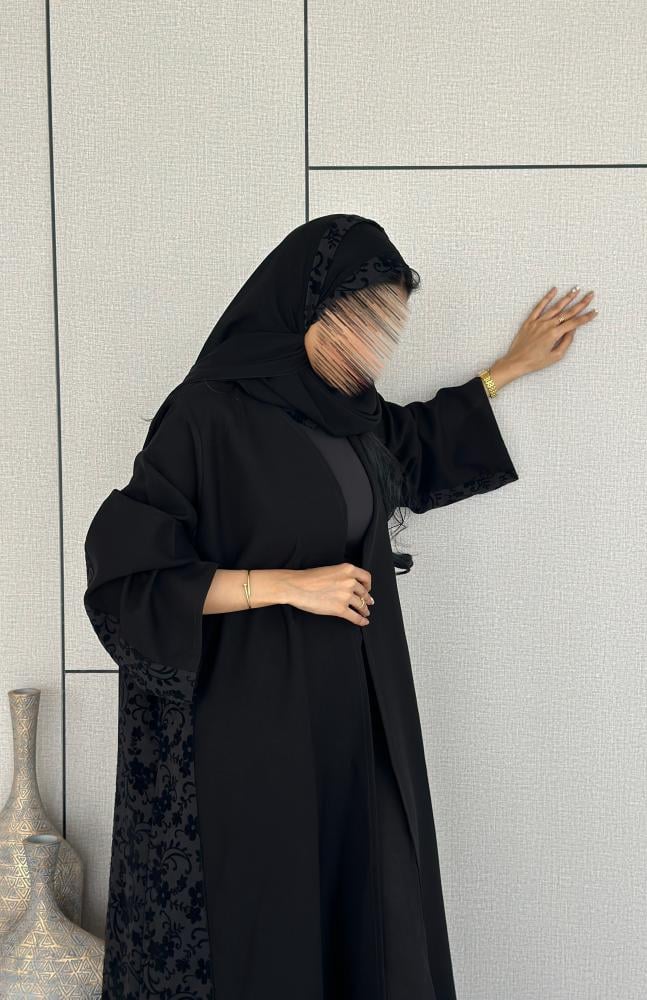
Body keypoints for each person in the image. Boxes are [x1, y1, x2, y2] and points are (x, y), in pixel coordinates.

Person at [83, 212, 596, 999]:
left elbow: (412, 450)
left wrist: (508, 369)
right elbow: (129, 572)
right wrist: (288, 585)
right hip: (257, 726)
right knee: (276, 928)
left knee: (378, 920)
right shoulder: (206, 415)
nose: (368, 347)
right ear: (305, 303)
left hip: (357, 717)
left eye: (384, 328)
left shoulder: (351, 415)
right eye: (358, 321)